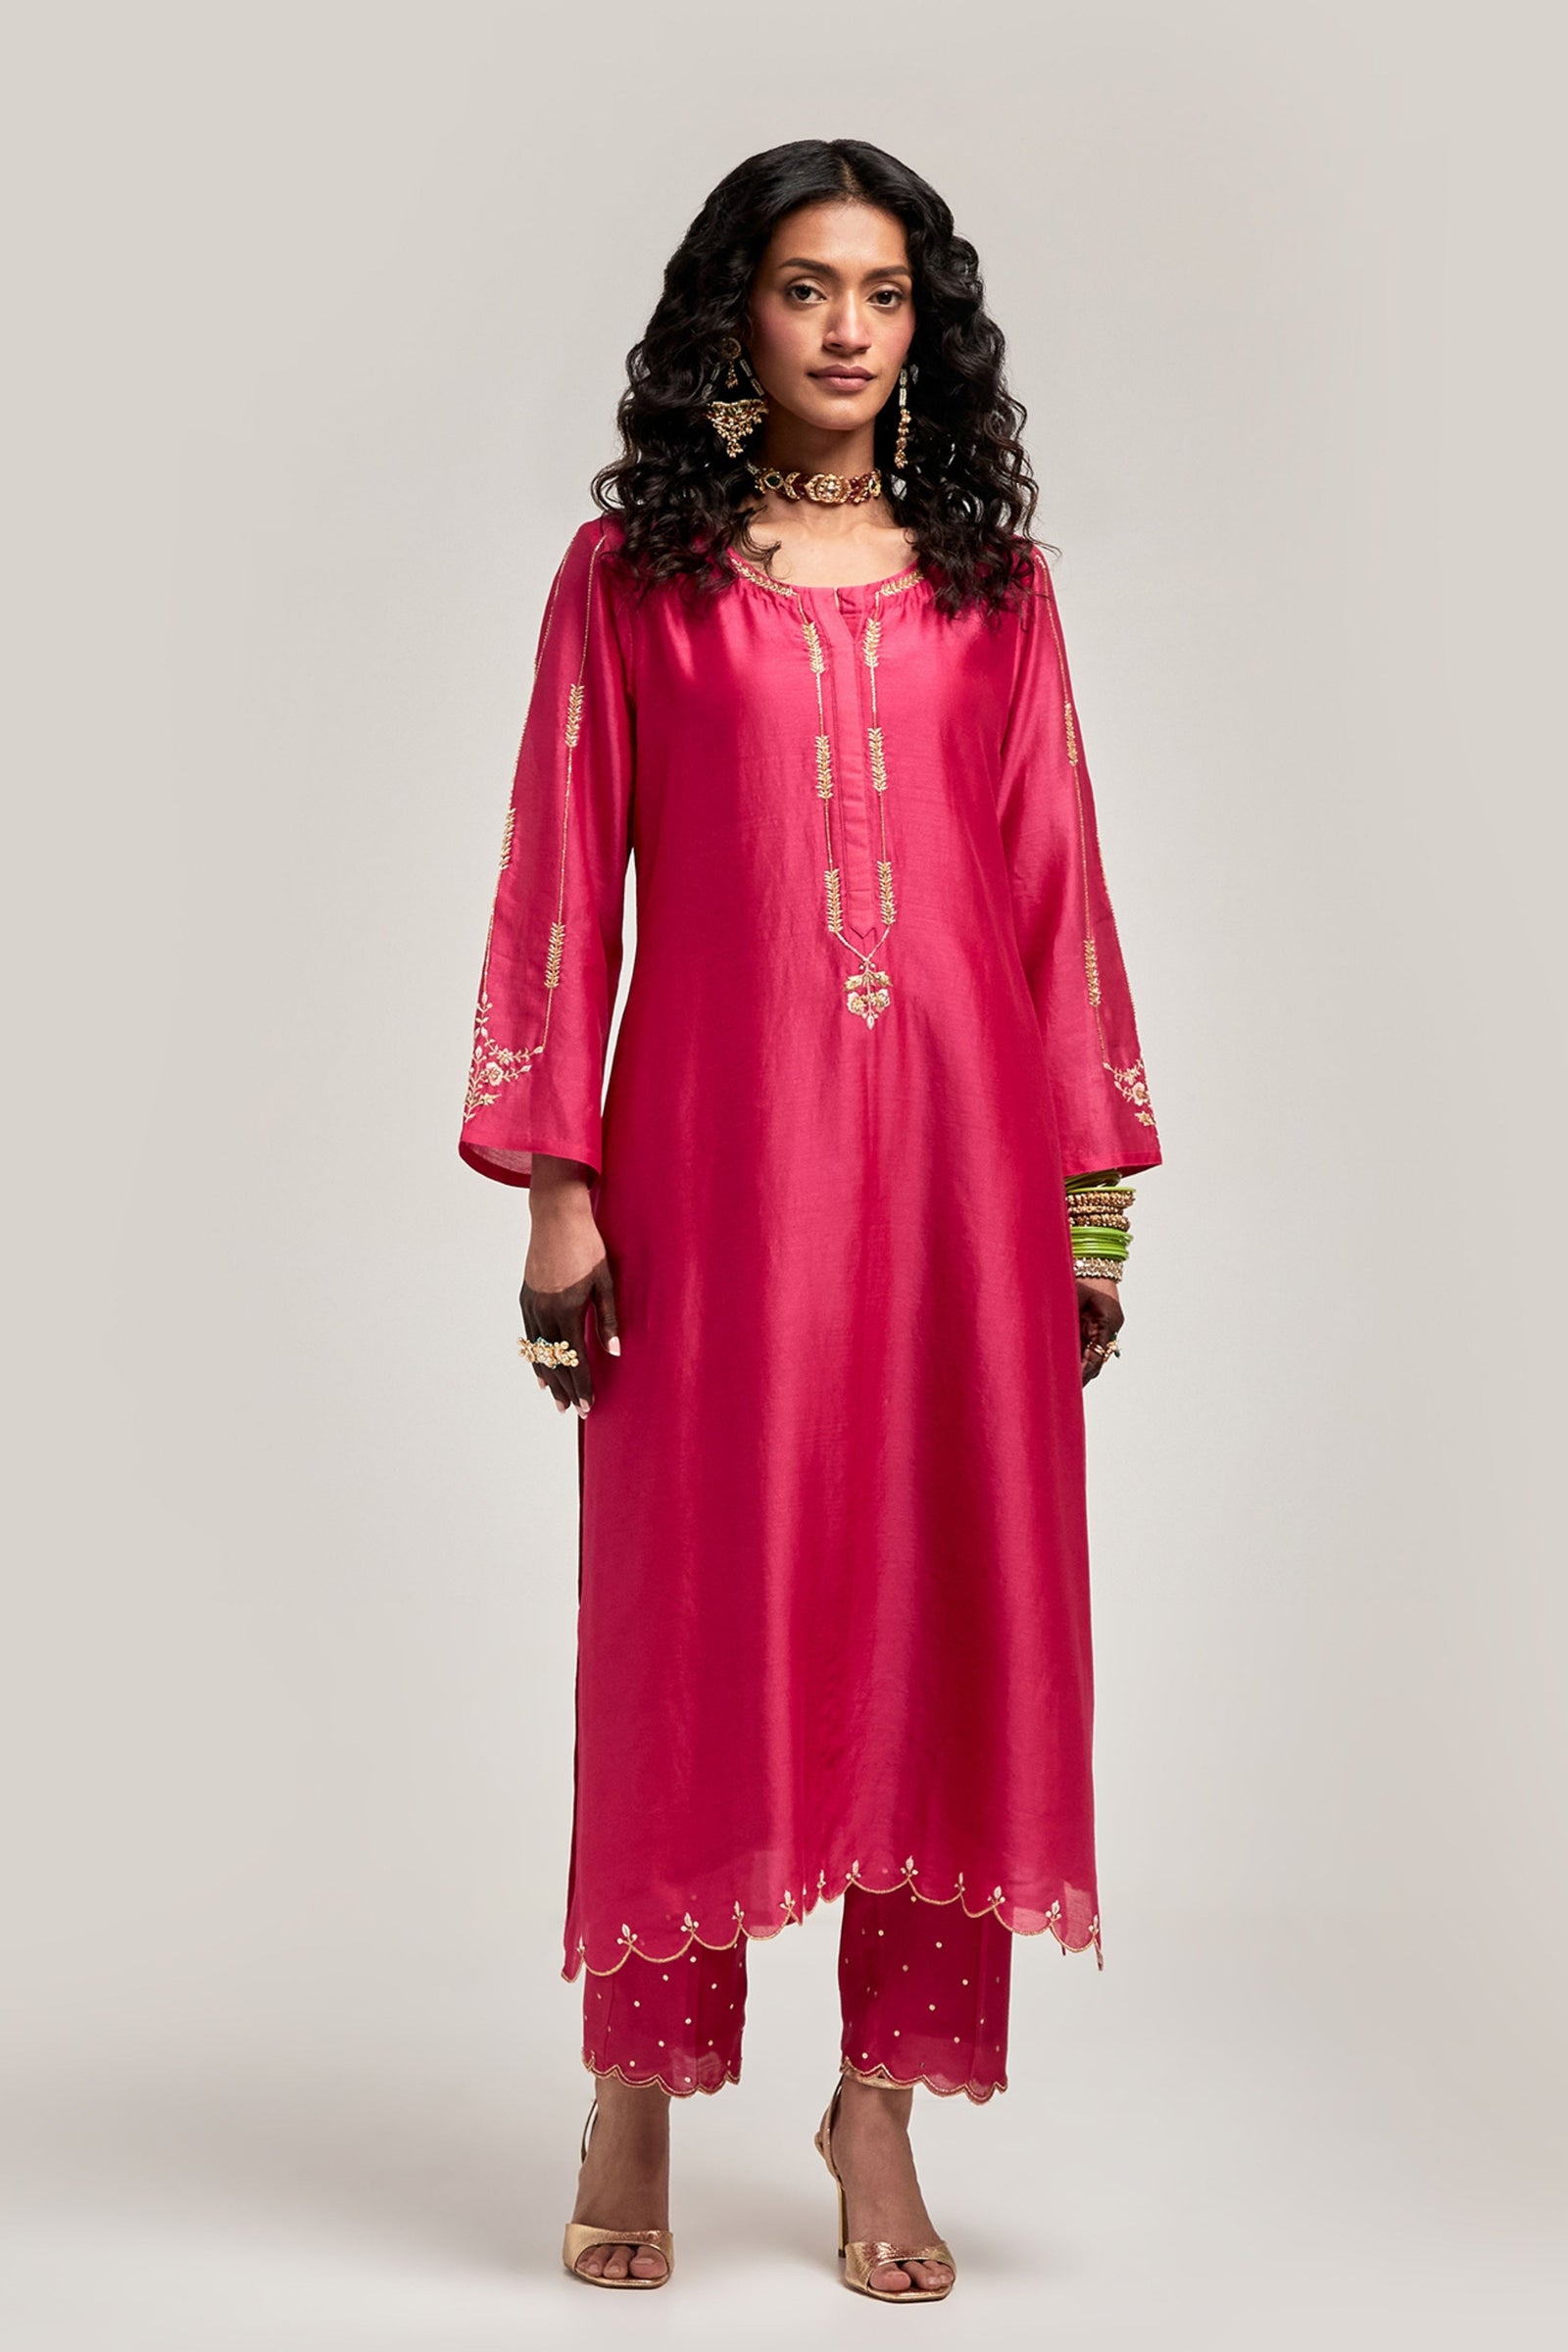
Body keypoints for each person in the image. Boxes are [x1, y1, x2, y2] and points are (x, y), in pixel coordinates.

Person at [458, 136, 1161, 2303]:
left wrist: (1088, 1215)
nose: (847, 327)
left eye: (883, 291)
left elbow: (1052, 895)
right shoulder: (633, 577)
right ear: (733, 316)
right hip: (713, 1163)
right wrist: (560, 1192)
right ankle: (637, 2084)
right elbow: (564, 881)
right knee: (694, 1600)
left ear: (924, 326)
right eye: (802, 286)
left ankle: (881, 2104)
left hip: (959, 1171)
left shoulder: (989, 587)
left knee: (943, 1608)